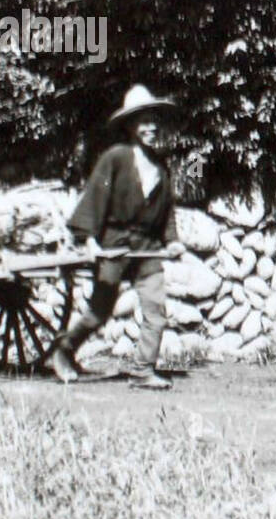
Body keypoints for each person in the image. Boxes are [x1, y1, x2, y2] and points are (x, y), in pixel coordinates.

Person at [48, 85, 186, 389]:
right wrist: (90, 241)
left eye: (154, 121)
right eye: (143, 122)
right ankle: (64, 349)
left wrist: (172, 240)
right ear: (131, 126)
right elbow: (96, 198)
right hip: (114, 244)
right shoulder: (116, 158)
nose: (151, 127)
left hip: (147, 248)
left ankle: (142, 370)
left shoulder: (161, 167)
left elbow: (167, 212)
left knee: (156, 310)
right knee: (99, 313)